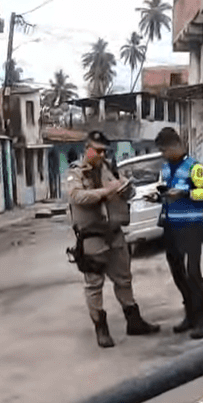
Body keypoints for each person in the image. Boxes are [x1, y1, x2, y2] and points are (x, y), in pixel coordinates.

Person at [66, 131, 161, 347]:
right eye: (97, 151)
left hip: (115, 233)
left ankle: (134, 321)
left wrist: (125, 189)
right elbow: (77, 196)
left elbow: (128, 192)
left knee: (124, 279)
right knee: (94, 284)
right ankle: (101, 329)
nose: (101, 155)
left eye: (104, 151)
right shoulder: (75, 172)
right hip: (92, 237)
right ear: (87, 149)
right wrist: (105, 192)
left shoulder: (110, 168)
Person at [149, 127, 203, 339]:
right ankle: (190, 315)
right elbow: (169, 193)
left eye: (164, 150)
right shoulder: (166, 168)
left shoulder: (194, 167)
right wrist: (158, 197)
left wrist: (185, 193)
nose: (163, 154)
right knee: (177, 273)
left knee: (193, 273)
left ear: (176, 145)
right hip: (171, 227)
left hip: (192, 227)